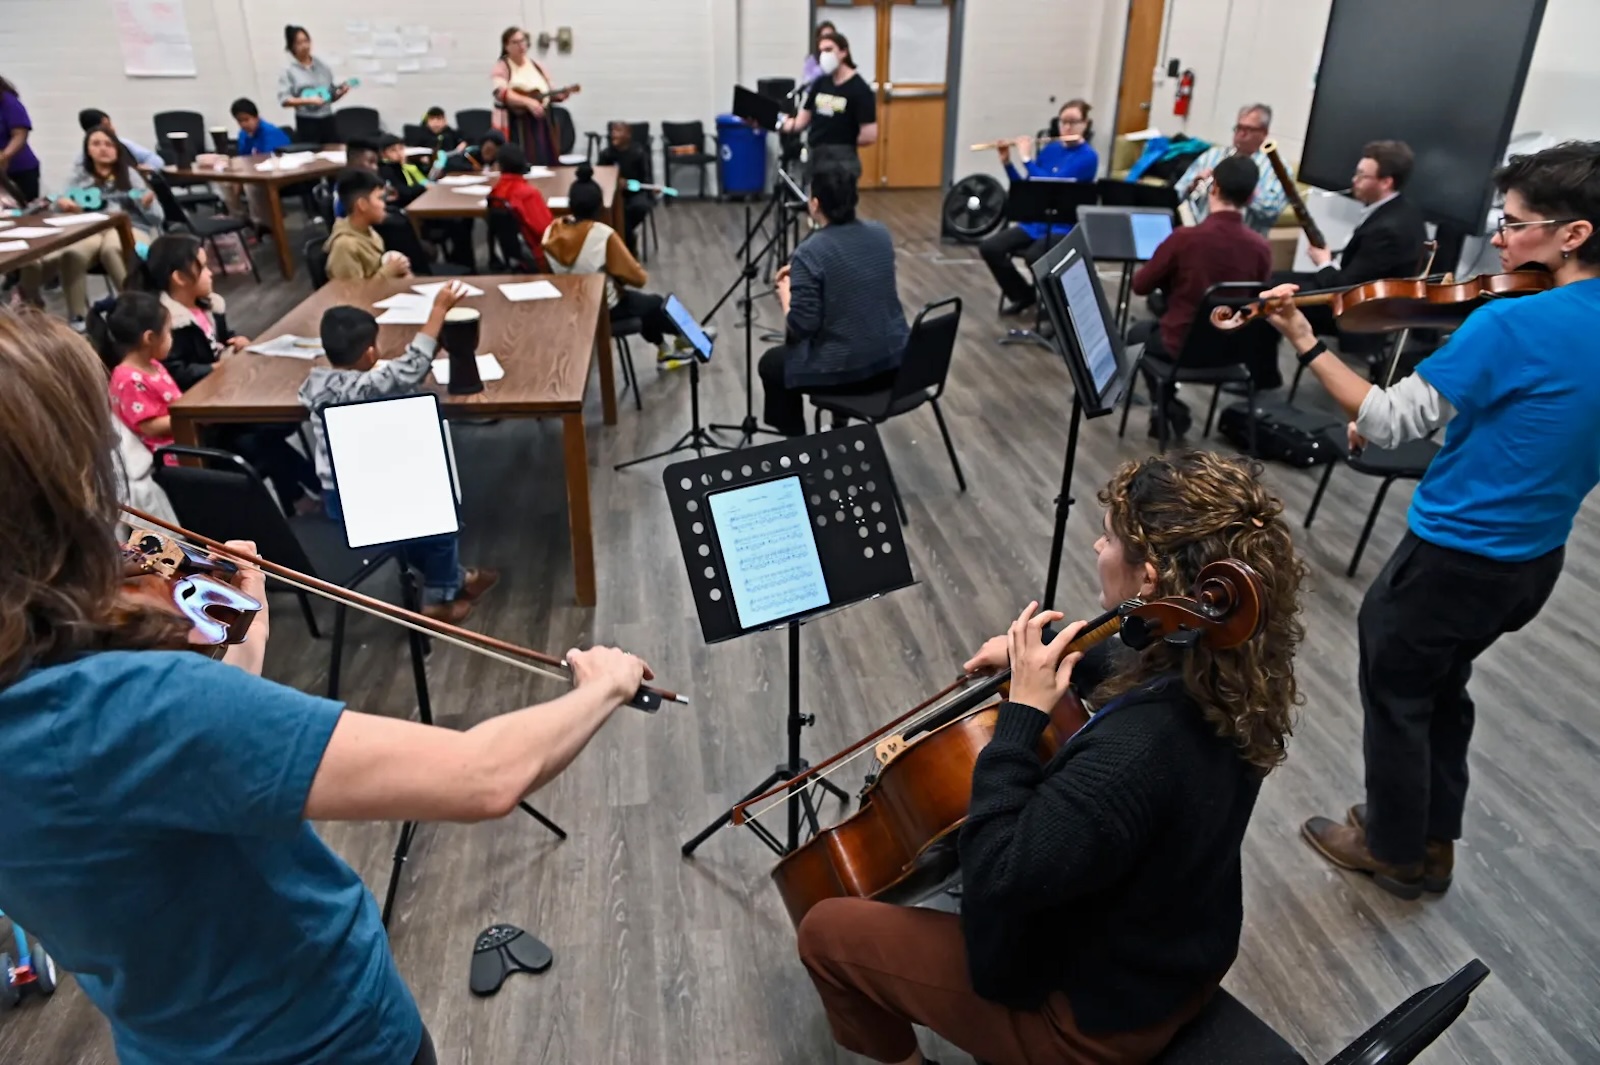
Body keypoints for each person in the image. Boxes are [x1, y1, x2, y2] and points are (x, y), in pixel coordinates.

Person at [0, 307, 652, 1065]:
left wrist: (244, 627)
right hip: (328, 1035)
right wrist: (601, 686)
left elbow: (194, 766)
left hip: (168, 1041)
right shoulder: (133, 708)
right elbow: (484, 776)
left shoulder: (63, 698)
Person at [798, 450, 1306, 1065]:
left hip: (1089, 1023)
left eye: (1110, 538)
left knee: (826, 932)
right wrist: (1060, 658)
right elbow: (1134, 661)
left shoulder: (1135, 751)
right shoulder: (1235, 673)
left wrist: (1021, 717)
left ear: (1151, 579)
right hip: (1177, 960)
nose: (1097, 545)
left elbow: (998, 873)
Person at [1256, 140, 1600, 900]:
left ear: (1573, 234)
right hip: (1535, 558)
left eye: (1515, 224)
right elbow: (1543, 422)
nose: (1500, 240)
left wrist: (1304, 341)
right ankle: (1430, 836)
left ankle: (1392, 848)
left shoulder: (1513, 324)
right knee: (1443, 687)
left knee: (1398, 692)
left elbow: (1385, 421)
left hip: (1455, 555)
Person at [300, 289, 499, 622]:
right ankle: (437, 600)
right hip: (371, 500)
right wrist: (438, 310)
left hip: (337, 497)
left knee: (422, 527)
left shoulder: (314, 385)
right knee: (442, 519)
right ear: (370, 353)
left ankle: (456, 577)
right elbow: (412, 366)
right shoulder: (369, 386)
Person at [93, 278, 319, 515]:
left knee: (262, 436)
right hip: (180, 454)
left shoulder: (152, 365)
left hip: (193, 433)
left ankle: (305, 493)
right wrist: (193, 417)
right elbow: (149, 427)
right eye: (168, 333)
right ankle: (310, 490)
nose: (171, 338)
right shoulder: (128, 379)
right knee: (260, 443)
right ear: (149, 338)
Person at [759, 168, 907, 436]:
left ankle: (799, 445)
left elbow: (802, 327)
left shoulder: (809, 252)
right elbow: (852, 276)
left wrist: (785, 294)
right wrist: (805, 276)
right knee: (852, 328)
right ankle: (839, 425)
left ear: (815, 204)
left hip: (851, 376)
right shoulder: (880, 233)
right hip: (896, 364)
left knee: (772, 364)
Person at [1130, 155, 1273, 433]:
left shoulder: (1184, 238)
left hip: (1180, 345)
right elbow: (1260, 300)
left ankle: (1165, 405)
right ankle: (1166, 406)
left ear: (1213, 188)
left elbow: (1140, 286)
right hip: (1233, 350)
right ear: (1252, 196)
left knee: (1137, 333)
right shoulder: (1261, 248)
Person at [543, 164, 695, 364]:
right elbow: (638, 279)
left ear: (570, 203)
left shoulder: (551, 232)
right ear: (600, 206)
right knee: (655, 303)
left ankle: (666, 349)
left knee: (642, 304)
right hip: (603, 309)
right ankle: (691, 336)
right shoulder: (602, 235)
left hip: (570, 307)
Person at [979, 99, 1100, 314]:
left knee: (1035, 256)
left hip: (1063, 226)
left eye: (1073, 122)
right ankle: (1023, 295)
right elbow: (1028, 188)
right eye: (1063, 121)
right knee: (990, 247)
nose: (1067, 127)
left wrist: (1027, 159)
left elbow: (1053, 184)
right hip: (1036, 223)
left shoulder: (1088, 157)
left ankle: (1056, 308)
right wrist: (1008, 163)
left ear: (1086, 124)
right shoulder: (1051, 150)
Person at [54, 129, 164, 328]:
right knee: (71, 254)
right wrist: (64, 205)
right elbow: (58, 207)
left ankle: (134, 310)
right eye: (96, 144)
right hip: (91, 229)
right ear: (87, 150)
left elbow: (157, 218)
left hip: (130, 227)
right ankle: (78, 318)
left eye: (108, 144)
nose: (103, 149)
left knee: (112, 249)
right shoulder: (79, 176)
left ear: (117, 150)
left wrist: (146, 204)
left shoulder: (130, 174)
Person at [140, 234, 250, 390]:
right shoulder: (169, 323)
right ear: (180, 278)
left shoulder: (211, 305)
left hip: (224, 382)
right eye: (203, 267)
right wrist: (213, 368)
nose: (210, 273)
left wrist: (237, 342)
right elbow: (176, 372)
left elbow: (222, 338)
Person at [1175, 104, 1289, 236]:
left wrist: (1239, 189)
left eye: (1248, 129)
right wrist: (1191, 187)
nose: (1241, 134)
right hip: (1200, 235)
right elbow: (1177, 191)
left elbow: (1272, 211)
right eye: (1239, 127)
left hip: (1244, 243)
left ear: (1264, 133)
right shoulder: (1213, 155)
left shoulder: (1277, 167)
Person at [780, 32, 878, 180]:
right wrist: (772, 120)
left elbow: (869, 135)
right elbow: (800, 122)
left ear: (843, 52)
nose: (824, 55)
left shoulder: (860, 89)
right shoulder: (820, 83)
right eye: (821, 51)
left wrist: (838, 140)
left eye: (829, 50)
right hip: (817, 158)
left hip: (843, 162)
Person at [492, 26, 569, 166]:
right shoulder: (503, 66)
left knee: (544, 158)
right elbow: (500, 92)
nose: (520, 45)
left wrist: (559, 95)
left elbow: (547, 91)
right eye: (515, 42)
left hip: (541, 121)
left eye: (523, 41)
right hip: (516, 122)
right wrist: (527, 102)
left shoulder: (536, 65)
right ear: (506, 46)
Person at [325, 169, 412, 282]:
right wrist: (388, 272)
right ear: (362, 205)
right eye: (379, 199)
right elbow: (352, 291)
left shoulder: (368, 230)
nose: (384, 205)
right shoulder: (344, 246)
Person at [278, 25, 350, 144]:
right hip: (307, 121)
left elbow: (329, 96)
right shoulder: (289, 70)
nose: (304, 46)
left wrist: (340, 93)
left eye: (306, 41)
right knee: (310, 153)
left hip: (327, 119)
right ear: (291, 46)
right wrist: (308, 101)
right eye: (299, 43)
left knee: (334, 151)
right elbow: (284, 100)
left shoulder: (322, 66)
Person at [490, 143, 553, 270]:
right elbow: (546, 230)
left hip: (512, 254)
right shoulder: (527, 194)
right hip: (538, 254)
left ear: (499, 166)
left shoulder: (495, 192)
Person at [597, 121, 654, 254]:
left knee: (638, 207)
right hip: (612, 195)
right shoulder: (606, 154)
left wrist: (629, 184)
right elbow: (599, 177)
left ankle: (625, 240)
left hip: (634, 193)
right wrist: (614, 182)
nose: (613, 134)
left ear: (628, 135)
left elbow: (646, 180)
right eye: (612, 131)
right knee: (603, 210)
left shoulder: (639, 153)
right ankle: (627, 242)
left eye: (618, 131)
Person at [75, 109, 163, 169]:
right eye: (107, 126)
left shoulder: (124, 144)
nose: (113, 128)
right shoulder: (81, 161)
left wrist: (147, 168)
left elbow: (155, 159)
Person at [0, 74, 39, 201]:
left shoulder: (8, 102)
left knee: (23, 210)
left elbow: (20, 134)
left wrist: (4, 156)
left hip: (19, 171)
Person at [377, 133, 429, 208]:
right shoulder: (386, 170)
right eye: (393, 150)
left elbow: (420, 179)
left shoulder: (400, 165)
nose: (399, 153)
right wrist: (423, 187)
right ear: (383, 154)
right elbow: (404, 193)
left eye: (401, 148)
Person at [800, 21, 838, 85]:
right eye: (824, 37)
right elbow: (807, 84)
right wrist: (822, 68)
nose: (827, 40)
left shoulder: (840, 57)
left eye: (831, 37)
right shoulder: (812, 60)